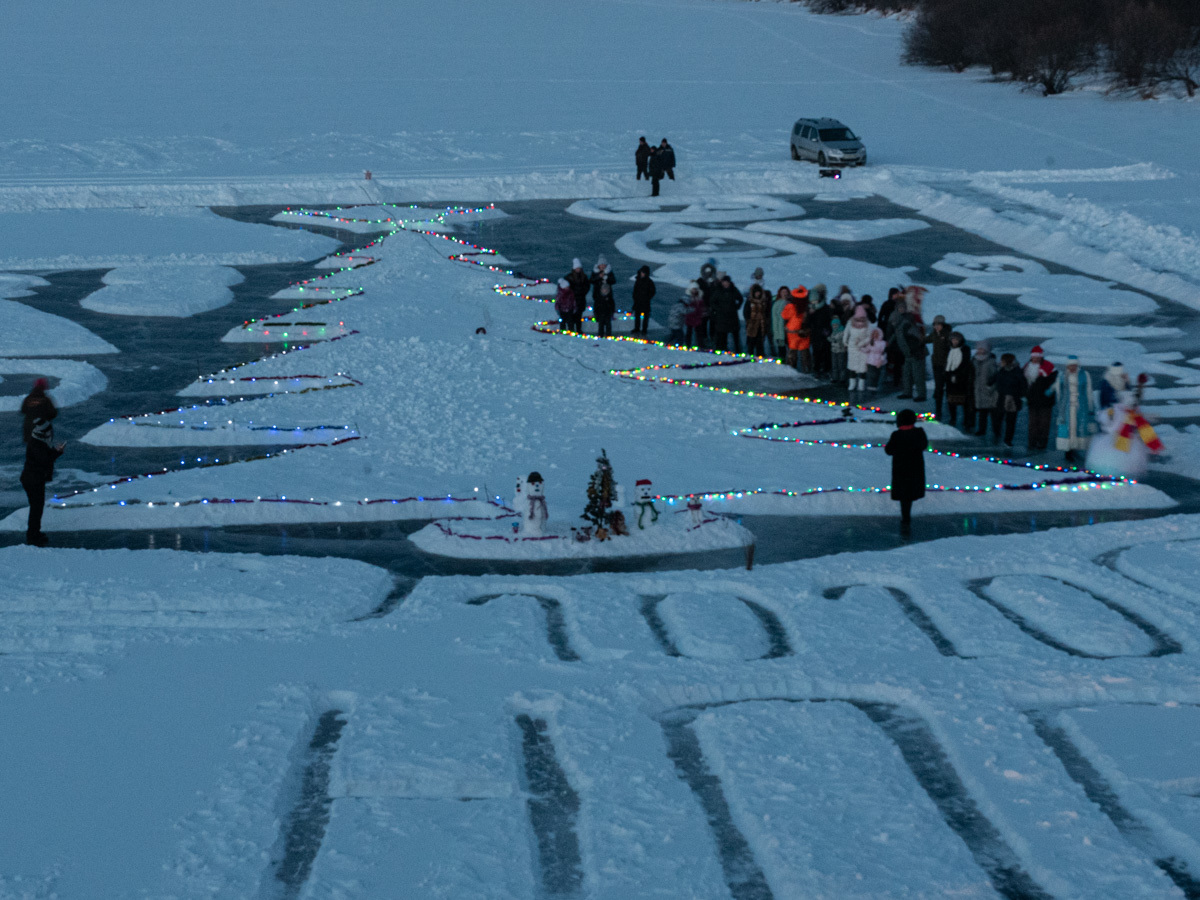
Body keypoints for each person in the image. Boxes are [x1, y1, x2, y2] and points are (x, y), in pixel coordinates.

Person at [20, 387, 66, 547]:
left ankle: (35, 533)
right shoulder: (38, 444)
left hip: (33, 478)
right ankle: (33, 536)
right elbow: (44, 460)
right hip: (33, 479)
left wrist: (54, 451)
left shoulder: (37, 441)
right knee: (36, 509)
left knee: (37, 508)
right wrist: (57, 452)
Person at [885, 408, 927, 535]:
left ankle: (905, 517)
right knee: (911, 491)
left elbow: (888, 450)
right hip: (915, 468)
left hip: (901, 469)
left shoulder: (896, 435)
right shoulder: (919, 433)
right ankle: (906, 516)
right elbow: (924, 445)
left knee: (904, 495)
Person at [1053, 354, 1096, 464]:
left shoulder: (1084, 375)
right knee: (1068, 429)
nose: (1072, 368)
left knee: (1078, 428)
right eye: (1070, 366)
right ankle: (1068, 451)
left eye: (1074, 366)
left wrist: (1090, 407)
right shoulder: (1063, 376)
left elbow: (1088, 391)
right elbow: (1058, 390)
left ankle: (1074, 448)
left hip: (1080, 407)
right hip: (1067, 407)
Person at [891, 289, 928, 402]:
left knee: (918, 375)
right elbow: (896, 335)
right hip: (908, 353)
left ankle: (921, 394)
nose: (901, 310)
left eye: (903, 308)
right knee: (906, 374)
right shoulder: (899, 323)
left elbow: (918, 338)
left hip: (916, 353)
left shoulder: (908, 322)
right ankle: (907, 392)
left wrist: (916, 350)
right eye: (899, 308)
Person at [1024, 345, 1057, 451]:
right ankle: (1032, 442)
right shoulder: (1027, 367)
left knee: (1044, 423)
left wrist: (1048, 392)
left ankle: (1042, 443)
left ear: (1041, 356)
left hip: (1045, 401)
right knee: (1032, 423)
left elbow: (1054, 382)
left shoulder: (1049, 367)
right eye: (1034, 356)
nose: (1036, 358)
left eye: (1038, 357)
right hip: (1032, 400)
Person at [993, 352, 1026, 448]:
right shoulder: (1001, 370)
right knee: (998, 418)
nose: (1001, 362)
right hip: (1001, 398)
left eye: (1002, 361)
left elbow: (1022, 385)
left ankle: (1008, 440)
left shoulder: (1017, 371)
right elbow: (994, 380)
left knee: (1010, 421)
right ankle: (998, 435)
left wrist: (1021, 396)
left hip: (1013, 399)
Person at [971, 341, 1001, 441]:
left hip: (989, 391)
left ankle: (996, 431)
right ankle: (981, 429)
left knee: (993, 413)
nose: (980, 350)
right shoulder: (974, 360)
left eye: (982, 348)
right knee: (982, 412)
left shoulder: (991, 361)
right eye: (979, 348)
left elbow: (995, 376)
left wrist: (990, 387)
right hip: (978, 389)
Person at [926, 315, 953, 419]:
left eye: (938, 324)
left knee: (945, 387)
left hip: (945, 365)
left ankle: (948, 410)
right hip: (936, 364)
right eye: (935, 324)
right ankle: (938, 409)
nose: (936, 326)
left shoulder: (947, 335)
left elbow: (950, 347)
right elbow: (926, 339)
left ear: (943, 325)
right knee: (938, 387)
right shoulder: (934, 334)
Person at [709, 272, 744, 352]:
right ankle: (722, 349)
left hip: (732, 316)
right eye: (724, 282)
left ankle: (738, 350)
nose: (725, 284)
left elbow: (740, 299)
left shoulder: (733, 290)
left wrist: (736, 307)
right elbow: (712, 302)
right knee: (722, 335)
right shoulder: (718, 290)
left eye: (727, 282)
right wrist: (718, 309)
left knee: (735, 335)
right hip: (721, 316)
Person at [943, 331, 972, 427]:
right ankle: (953, 418)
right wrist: (949, 375)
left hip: (962, 379)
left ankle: (967, 420)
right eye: (953, 340)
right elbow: (947, 363)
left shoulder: (965, 349)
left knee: (964, 401)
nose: (954, 342)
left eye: (956, 340)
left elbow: (965, 363)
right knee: (951, 401)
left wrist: (956, 374)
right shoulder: (948, 349)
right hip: (950, 379)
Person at [782, 287, 811, 372]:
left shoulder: (791, 306)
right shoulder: (806, 306)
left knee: (793, 352)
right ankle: (806, 370)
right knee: (804, 353)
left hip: (793, 332)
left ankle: (791, 370)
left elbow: (785, 316)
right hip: (803, 332)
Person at [845, 305, 873, 392]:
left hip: (862, 348)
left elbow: (870, 336)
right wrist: (845, 341)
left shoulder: (868, 324)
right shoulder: (850, 322)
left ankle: (861, 384)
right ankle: (852, 384)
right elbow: (846, 332)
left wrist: (862, 343)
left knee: (862, 367)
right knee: (852, 366)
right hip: (852, 347)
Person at [808, 283, 833, 378]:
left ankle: (826, 369)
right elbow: (808, 322)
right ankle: (817, 368)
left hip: (824, 333)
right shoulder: (811, 310)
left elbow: (829, 320)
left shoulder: (826, 308)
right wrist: (810, 315)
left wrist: (827, 330)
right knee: (816, 352)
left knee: (826, 351)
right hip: (815, 334)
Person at [743, 283, 769, 357]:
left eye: (759, 292)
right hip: (752, 325)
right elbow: (746, 312)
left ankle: (760, 355)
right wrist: (749, 321)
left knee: (760, 342)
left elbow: (766, 312)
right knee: (751, 341)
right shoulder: (750, 302)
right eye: (756, 292)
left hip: (761, 325)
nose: (757, 294)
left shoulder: (763, 302)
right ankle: (750, 355)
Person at [564, 259, 590, 333]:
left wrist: (582, 292)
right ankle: (571, 329)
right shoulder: (569, 277)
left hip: (581, 299)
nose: (578, 269)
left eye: (579, 268)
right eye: (577, 268)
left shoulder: (584, 277)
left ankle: (579, 330)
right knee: (571, 316)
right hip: (572, 300)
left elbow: (587, 287)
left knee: (579, 316)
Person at [631, 265, 655, 335]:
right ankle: (637, 328)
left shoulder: (649, 282)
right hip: (638, 301)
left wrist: (647, 297)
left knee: (646, 317)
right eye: (642, 272)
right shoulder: (638, 280)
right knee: (637, 315)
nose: (642, 273)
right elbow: (635, 290)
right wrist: (635, 297)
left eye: (644, 272)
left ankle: (644, 330)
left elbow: (653, 291)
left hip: (645, 302)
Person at [684, 282, 707, 348]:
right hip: (690, 317)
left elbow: (702, 307)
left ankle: (701, 345)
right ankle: (688, 345)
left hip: (697, 317)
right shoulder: (688, 298)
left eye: (696, 289)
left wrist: (703, 312)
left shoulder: (699, 298)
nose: (695, 291)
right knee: (689, 332)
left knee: (699, 333)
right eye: (693, 289)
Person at [771, 286, 790, 361]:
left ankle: (790, 362)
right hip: (779, 328)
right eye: (783, 292)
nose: (784, 294)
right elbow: (774, 317)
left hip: (789, 328)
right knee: (781, 346)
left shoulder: (790, 302)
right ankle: (783, 361)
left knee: (790, 347)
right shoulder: (777, 303)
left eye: (786, 292)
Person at [865, 326, 888, 391]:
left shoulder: (883, 343)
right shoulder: (870, 342)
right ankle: (871, 386)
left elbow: (883, 353)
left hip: (879, 360)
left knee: (878, 374)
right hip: (871, 360)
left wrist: (881, 360)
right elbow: (867, 350)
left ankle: (877, 386)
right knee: (871, 374)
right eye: (873, 333)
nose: (875, 335)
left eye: (876, 333)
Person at [830, 314, 848, 386]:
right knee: (834, 365)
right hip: (834, 350)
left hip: (840, 350)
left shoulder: (842, 331)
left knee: (841, 365)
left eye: (836, 325)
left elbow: (838, 339)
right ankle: (835, 377)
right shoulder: (833, 332)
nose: (834, 326)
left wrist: (832, 339)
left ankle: (842, 378)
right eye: (833, 325)